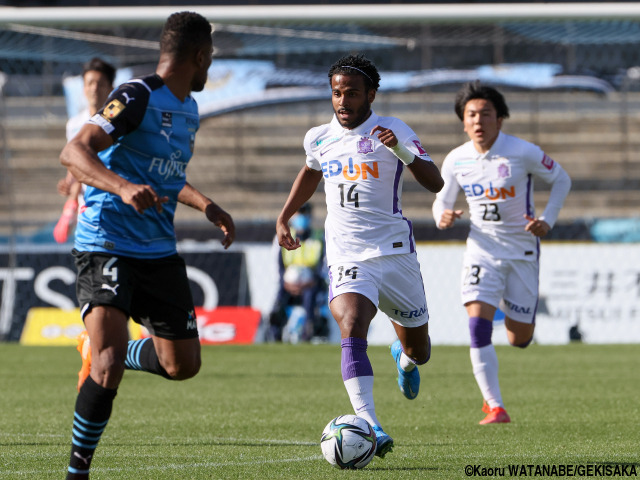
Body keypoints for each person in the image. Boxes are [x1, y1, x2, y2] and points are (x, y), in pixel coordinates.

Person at [59, 12, 235, 480]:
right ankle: (78, 471)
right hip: (107, 242)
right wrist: (119, 187)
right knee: (107, 364)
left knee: (183, 366)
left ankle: (93, 347)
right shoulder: (135, 96)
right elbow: (75, 152)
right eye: (210, 58)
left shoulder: (190, 109)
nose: (210, 66)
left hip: (157, 250)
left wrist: (207, 205)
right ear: (199, 56)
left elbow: (168, 178)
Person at [276, 53, 444, 458]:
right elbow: (311, 170)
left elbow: (435, 181)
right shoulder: (318, 137)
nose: (342, 101)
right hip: (347, 252)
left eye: (351, 93)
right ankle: (369, 423)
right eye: (336, 93)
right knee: (351, 323)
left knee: (420, 350)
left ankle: (403, 359)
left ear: (371, 93)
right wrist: (285, 215)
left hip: (395, 254)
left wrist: (402, 150)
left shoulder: (394, 129)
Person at [432, 81, 571, 425]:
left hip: (522, 252)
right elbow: (441, 200)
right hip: (481, 250)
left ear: (501, 119)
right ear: (463, 122)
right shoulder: (456, 159)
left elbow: (562, 179)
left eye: (486, 114)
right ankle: (495, 406)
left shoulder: (522, 152)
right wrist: (442, 216)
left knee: (519, 339)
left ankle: (514, 309)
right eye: (471, 115)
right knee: (477, 326)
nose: (478, 121)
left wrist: (546, 221)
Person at [54, 57, 116, 243]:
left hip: (114, 205)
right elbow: (76, 166)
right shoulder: (74, 125)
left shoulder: (118, 122)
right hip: (87, 210)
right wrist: (69, 184)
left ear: (111, 88)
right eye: (90, 83)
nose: (94, 88)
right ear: (83, 88)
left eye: (100, 83)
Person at [268, 202, 328, 342]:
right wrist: (285, 283)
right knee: (279, 303)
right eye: (298, 213)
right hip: (287, 284)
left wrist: (313, 281)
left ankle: (308, 333)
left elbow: (325, 265)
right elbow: (276, 265)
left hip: (311, 283)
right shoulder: (282, 237)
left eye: (305, 213)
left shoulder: (319, 237)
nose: (302, 216)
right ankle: (274, 335)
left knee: (311, 300)